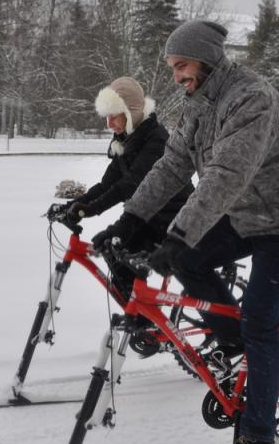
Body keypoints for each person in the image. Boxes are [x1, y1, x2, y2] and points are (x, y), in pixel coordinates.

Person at [94, 20, 279, 444]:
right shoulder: (199, 104)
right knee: (190, 262)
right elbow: (172, 165)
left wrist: (178, 233)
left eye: (182, 65)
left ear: (206, 58)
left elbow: (225, 174)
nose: (177, 76)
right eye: (173, 68)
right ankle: (233, 338)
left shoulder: (251, 99)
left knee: (260, 321)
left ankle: (256, 434)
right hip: (244, 218)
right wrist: (129, 220)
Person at [61, 77, 193, 301]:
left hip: (172, 220)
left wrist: (89, 210)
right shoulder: (127, 140)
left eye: (114, 116)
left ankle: (142, 321)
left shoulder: (155, 140)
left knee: (122, 252)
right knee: (113, 252)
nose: (109, 124)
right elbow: (107, 184)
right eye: (107, 117)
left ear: (130, 113)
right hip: (146, 217)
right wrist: (75, 204)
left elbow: (129, 184)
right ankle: (139, 319)